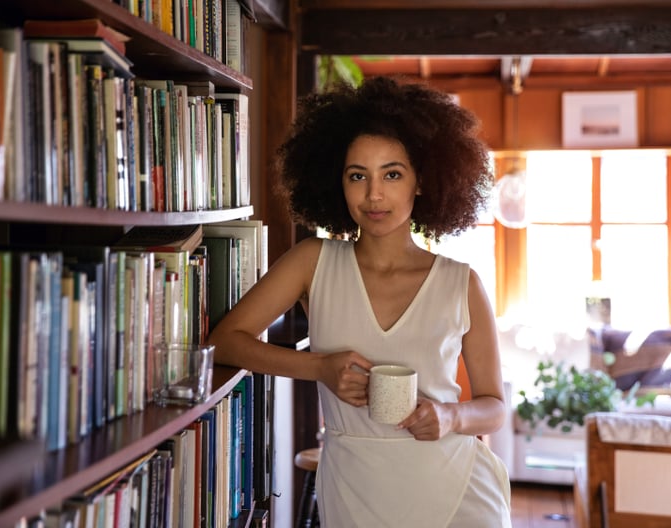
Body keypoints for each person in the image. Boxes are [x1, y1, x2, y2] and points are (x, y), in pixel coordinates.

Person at [208, 76, 511, 527]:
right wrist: (319, 367)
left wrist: (451, 415)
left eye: (392, 174)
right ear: (337, 183)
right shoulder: (313, 261)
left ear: (421, 182)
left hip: (457, 491)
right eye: (357, 176)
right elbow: (226, 342)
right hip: (353, 487)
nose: (374, 194)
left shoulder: (461, 283)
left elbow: (495, 406)